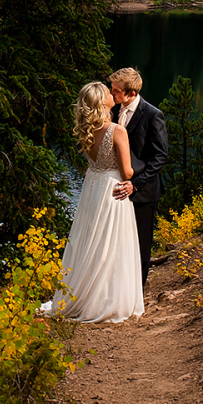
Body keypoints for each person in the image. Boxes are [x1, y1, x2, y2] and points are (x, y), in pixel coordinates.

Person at [40, 82, 145, 323]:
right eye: (109, 93)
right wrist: (141, 166)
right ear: (102, 102)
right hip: (112, 188)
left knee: (89, 239)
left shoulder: (86, 129)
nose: (112, 93)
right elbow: (127, 172)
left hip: (92, 188)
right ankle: (106, 299)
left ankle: (85, 293)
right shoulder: (117, 130)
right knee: (111, 242)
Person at [108, 67, 167, 283]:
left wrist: (135, 184)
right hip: (117, 188)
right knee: (117, 242)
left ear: (131, 93)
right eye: (112, 89)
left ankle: (137, 294)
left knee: (141, 245)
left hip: (144, 191)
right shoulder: (113, 111)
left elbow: (160, 157)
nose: (112, 93)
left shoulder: (153, 115)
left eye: (117, 90)